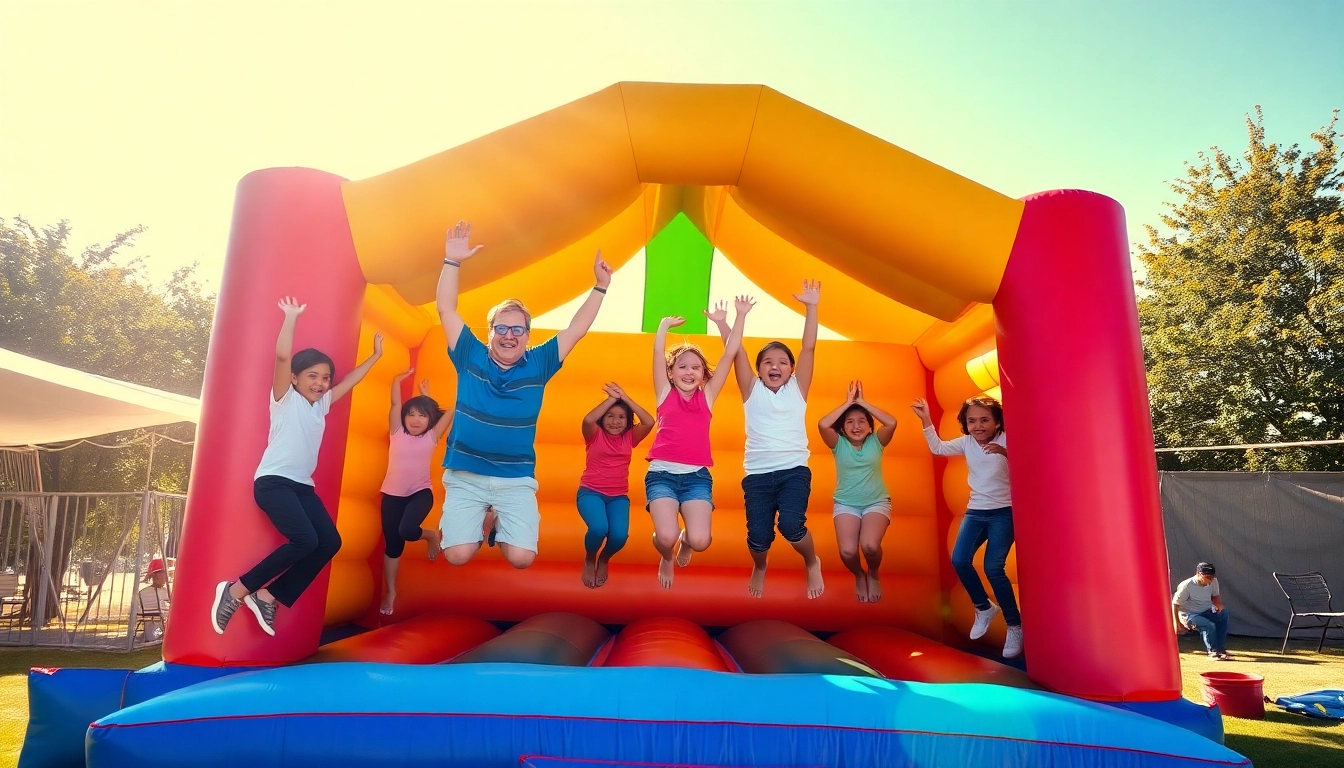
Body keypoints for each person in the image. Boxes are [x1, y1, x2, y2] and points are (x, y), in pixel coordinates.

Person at [435, 220, 611, 569]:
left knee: (522, 558)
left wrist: (600, 288)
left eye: (518, 329)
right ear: (490, 333)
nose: (509, 335)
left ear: (527, 335)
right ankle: (482, 519)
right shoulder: (470, 353)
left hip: (514, 479)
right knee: (456, 556)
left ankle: (496, 521)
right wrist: (451, 262)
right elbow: (446, 310)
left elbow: (576, 329)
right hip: (465, 475)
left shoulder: (540, 362)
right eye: (501, 327)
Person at [212, 297, 383, 637]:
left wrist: (376, 357)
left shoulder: (321, 406)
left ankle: (268, 595)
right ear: (294, 379)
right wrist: (291, 317)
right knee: (304, 540)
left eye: (325, 378)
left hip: (302, 486)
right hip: (273, 482)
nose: (320, 383)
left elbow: (352, 382)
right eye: (312, 376)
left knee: (329, 543)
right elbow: (281, 356)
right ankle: (234, 591)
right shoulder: (284, 398)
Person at [708, 279, 824, 599]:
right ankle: (760, 565)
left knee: (791, 526)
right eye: (768, 362)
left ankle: (811, 561)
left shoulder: (798, 389)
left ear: (791, 370)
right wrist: (724, 323)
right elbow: (736, 352)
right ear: (758, 370)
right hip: (757, 476)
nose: (775, 366)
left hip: (793, 471)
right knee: (758, 538)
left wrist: (811, 307)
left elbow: (809, 347)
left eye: (783, 362)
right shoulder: (751, 389)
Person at [646, 297, 753, 589]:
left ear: (703, 374)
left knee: (701, 540)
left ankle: (687, 542)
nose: (689, 372)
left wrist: (736, 316)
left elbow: (730, 354)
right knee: (665, 536)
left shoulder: (707, 397)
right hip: (662, 475)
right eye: (682, 367)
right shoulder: (664, 395)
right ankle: (666, 555)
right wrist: (663, 327)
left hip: (696, 478)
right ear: (671, 372)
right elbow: (658, 353)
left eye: (696, 368)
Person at [911, 395, 1021, 659]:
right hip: (976, 511)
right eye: (971, 421)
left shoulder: (1007, 439)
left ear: (997, 422)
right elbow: (938, 448)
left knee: (993, 568)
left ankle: (1014, 625)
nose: (978, 426)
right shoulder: (968, 442)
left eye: (985, 420)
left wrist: (1007, 453)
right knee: (960, 560)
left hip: (1003, 513)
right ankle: (983, 607)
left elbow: (1030, 466)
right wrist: (926, 419)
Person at [379, 371, 453, 615]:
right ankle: (391, 591)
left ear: (430, 420)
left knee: (407, 531)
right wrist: (396, 381)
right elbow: (395, 403)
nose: (415, 419)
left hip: (420, 493)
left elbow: (451, 411)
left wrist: (427, 400)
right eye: (411, 414)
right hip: (391, 496)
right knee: (393, 547)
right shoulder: (396, 432)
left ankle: (430, 535)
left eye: (422, 415)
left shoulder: (432, 436)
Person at [817, 381, 898, 603]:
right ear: (842, 428)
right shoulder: (838, 444)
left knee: (870, 546)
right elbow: (823, 424)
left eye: (862, 421)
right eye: (850, 422)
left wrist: (862, 402)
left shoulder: (876, 441)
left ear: (870, 427)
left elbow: (891, 422)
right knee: (848, 552)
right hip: (846, 503)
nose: (856, 426)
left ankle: (872, 572)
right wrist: (847, 403)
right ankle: (859, 574)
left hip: (876, 502)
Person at [578, 382, 655, 588]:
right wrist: (612, 399)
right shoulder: (594, 434)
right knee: (599, 528)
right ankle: (590, 558)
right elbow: (588, 419)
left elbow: (649, 421)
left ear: (628, 422)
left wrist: (625, 398)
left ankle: (604, 559)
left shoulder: (629, 437)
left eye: (621, 417)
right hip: (590, 492)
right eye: (610, 416)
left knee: (619, 537)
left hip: (618, 497)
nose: (615, 421)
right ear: (603, 419)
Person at [1173, 562, 1232, 660]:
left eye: (1212, 577)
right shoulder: (1186, 586)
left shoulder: (1213, 581)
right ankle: (1213, 653)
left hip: (1207, 611)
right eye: (1208, 577)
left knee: (1224, 614)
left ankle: (1220, 650)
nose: (1210, 581)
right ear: (1198, 574)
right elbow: (1175, 604)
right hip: (1189, 614)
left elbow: (1215, 596)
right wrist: (1177, 623)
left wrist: (1219, 607)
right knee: (1209, 625)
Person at [134, 558, 171, 641]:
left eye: (165, 573)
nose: (164, 576)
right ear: (153, 575)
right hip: (155, 628)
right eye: (161, 573)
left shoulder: (167, 591)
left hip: (162, 626)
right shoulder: (144, 593)